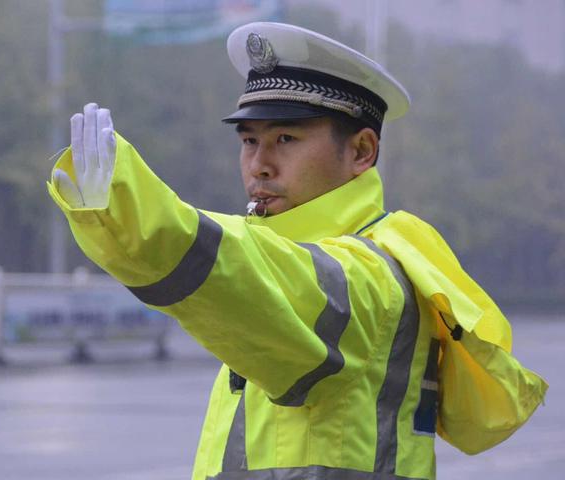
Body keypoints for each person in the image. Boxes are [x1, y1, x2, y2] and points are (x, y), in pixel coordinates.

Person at [48, 22, 547, 480]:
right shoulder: (291, 252)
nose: (259, 165)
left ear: (361, 151)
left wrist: (130, 211)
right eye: (249, 141)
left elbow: (251, 271)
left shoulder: (374, 276)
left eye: (285, 138)